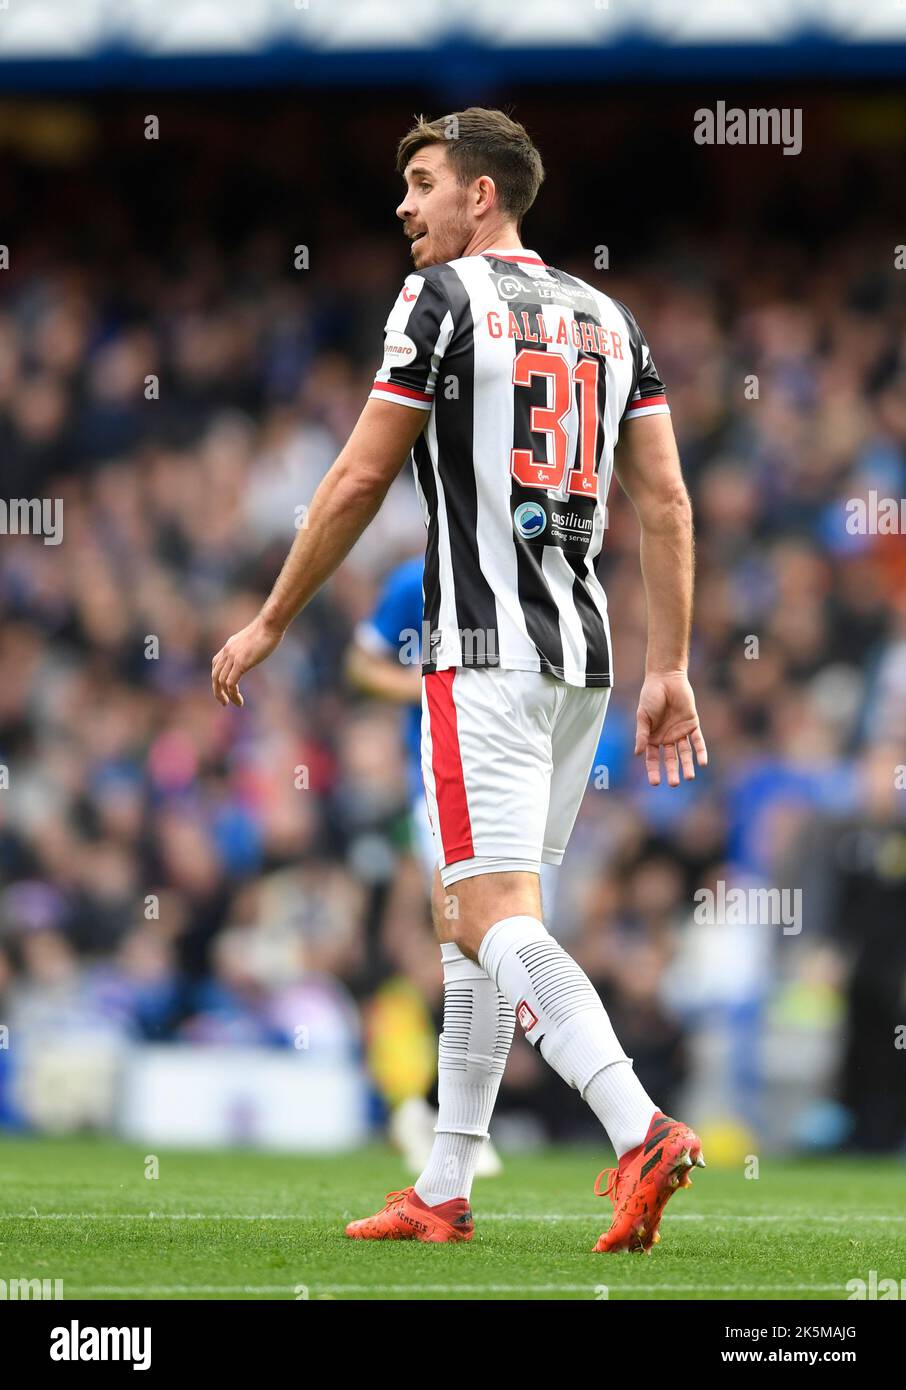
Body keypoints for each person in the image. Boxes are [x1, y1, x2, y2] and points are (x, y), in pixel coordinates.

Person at [211, 107, 708, 1254]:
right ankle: (444, 1184)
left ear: (483, 197)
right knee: (469, 925)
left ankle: (637, 1127)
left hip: (480, 656)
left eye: (424, 184)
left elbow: (355, 477)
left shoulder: (436, 303)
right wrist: (671, 663)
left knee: (490, 914)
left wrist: (274, 615)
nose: (405, 206)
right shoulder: (613, 317)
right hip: (584, 664)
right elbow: (669, 503)